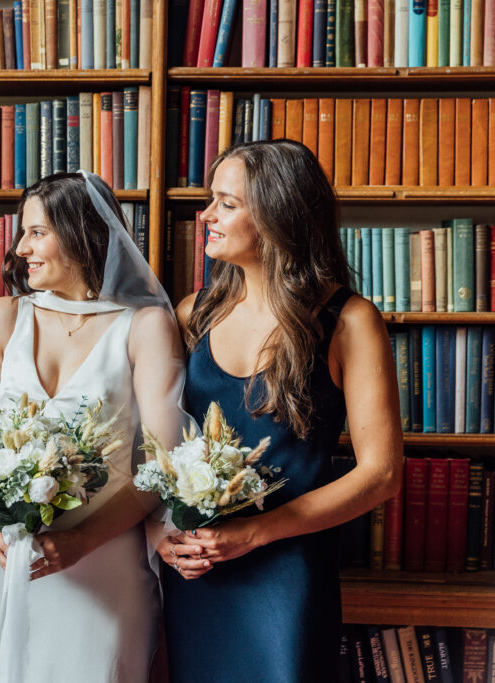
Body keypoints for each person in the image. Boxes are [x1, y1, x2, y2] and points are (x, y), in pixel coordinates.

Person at [156, 139, 403, 683]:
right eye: (210, 200)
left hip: (288, 570)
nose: (206, 216)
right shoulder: (192, 313)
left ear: (276, 213)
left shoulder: (349, 320)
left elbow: (381, 474)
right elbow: (155, 444)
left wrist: (259, 531)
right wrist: (163, 534)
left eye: (226, 202)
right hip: (197, 569)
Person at [0, 171, 193, 682]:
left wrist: (82, 540)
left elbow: (161, 464)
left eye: (37, 233)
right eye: (23, 234)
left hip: (104, 560)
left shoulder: (145, 327)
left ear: (83, 232)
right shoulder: (2, 319)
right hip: (2, 557)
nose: (21, 248)